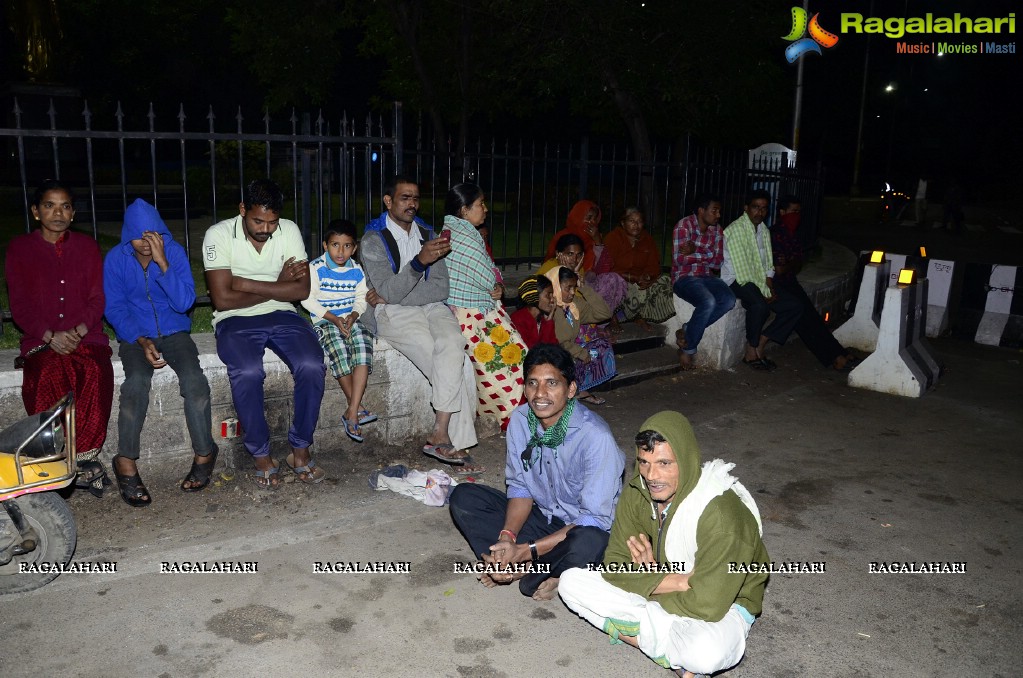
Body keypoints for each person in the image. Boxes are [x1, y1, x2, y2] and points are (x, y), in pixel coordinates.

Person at [559, 411, 769, 677]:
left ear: (686, 460)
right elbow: (613, 566)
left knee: (705, 653)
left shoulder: (720, 515)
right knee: (570, 582)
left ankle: (647, 636)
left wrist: (646, 583)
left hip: (726, 605)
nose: (651, 476)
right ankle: (670, 653)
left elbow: (708, 604)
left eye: (664, 463)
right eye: (644, 462)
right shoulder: (638, 494)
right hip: (671, 587)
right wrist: (672, 579)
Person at [448, 344, 625, 601]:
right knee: (464, 497)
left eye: (552, 383)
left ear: (571, 389)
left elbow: (595, 519)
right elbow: (520, 488)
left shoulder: (595, 437)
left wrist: (527, 550)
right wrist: (507, 539)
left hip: (578, 530)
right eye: (532, 383)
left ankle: (538, 570)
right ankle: (510, 562)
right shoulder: (520, 420)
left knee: (590, 543)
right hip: (543, 518)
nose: (540, 393)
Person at [202, 179, 326, 489]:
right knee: (246, 371)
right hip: (234, 319)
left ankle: (300, 449)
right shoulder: (217, 235)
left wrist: (243, 283)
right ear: (243, 209)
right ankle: (260, 453)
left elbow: (300, 290)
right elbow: (222, 300)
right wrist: (277, 286)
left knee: (312, 365)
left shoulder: (289, 230)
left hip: (283, 314)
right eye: (258, 220)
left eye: (272, 222)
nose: (266, 229)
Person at [103, 198, 218, 507]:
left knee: (195, 381)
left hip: (175, 332)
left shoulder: (174, 252)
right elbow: (114, 307)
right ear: (129, 235)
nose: (146, 243)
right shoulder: (116, 259)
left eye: (153, 235)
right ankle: (125, 460)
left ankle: (205, 453)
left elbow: (184, 303)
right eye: (140, 237)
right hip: (134, 337)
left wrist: (163, 262)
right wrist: (139, 340)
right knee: (135, 385)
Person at [360, 176, 480, 471]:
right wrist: (418, 264)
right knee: (448, 361)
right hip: (393, 316)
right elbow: (386, 292)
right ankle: (456, 443)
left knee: (454, 346)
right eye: (404, 198)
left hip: (431, 307)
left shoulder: (429, 233)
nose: (412, 203)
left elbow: (440, 289)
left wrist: (397, 293)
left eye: (415, 198)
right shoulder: (372, 241)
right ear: (388, 201)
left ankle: (440, 434)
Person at [5, 180, 114, 464]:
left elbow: (97, 298)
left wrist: (77, 332)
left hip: (85, 334)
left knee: (93, 371)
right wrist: (50, 335)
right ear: (36, 212)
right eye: (49, 206)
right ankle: (52, 454)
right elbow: (20, 306)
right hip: (41, 339)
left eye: (65, 206)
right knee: (47, 374)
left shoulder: (87, 246)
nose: (58, 213)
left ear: (73, 213)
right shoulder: (20, 249)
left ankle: (85, 458)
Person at [443, 183, 526, 431]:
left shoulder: (455, 231)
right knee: (511, 358)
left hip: (473, 309)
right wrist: (496, 283)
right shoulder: (465, 237)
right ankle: (506, 417)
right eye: (480, 204)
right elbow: (487, 277)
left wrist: (496, 284)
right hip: (472, 314)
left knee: (507, 359)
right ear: (465, 210)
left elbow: (489, 274)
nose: (485, 209)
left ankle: (506, 414)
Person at [301, 219, 377, 443]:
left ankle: (351, 411)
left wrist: (353, 316)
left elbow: (361, 298)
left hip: (350, 319)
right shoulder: (315, 268)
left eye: (347, 246)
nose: (340, 251)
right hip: (326, 321)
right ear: (325, 245)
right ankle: (357, 409)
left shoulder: (356, 269)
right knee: (339, 352)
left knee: (363, 346)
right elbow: (307, 300)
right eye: (335, 245)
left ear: (354, 248)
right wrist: (334, 319)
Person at [771, 195, 859, 372]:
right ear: (782, 212)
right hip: (776, 284)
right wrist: (791, 263)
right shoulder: (775, 234)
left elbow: (795, 265)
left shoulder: (790, 234)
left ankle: (838, 352)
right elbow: (780, 269)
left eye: (798, 212)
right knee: (805, 320)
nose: (796, 215)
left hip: (789, 281)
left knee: (814, 319)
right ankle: (833, 357)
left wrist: (790, 264)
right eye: (792, 211)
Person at [722, 190, 803, 371]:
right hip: (737, 279)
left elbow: (766, 262)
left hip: (757, 279)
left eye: (764, 209)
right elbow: (743, 270)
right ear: (746, 208)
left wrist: (769, 281)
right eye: (755, 207)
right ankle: (750, 351)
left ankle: (761, 342)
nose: (760, 212)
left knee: (794, 306)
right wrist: (764, 290)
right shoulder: (735, 230)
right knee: (760, 306)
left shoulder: (763, 230)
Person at [671, 195, 736, 371]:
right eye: (714, 210)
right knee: (708, 301)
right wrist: (706, 253)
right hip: (683, 277)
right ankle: (688, 348)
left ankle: (688, 328)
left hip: (707, 276)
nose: (718, 215)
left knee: (729, 300)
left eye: (719, 211)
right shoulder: (684, 226)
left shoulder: (717, 230)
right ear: (701, 211)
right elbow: (680, 260)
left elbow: (717, 263)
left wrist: (695, 250)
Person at [544, 201, 627, 323]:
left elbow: (603, 269)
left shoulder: (593, 239)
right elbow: (550, 269)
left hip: (586, 283)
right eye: (588, 218)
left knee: (612, 278)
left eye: (594, 219)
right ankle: (590, 322)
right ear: (578, 217)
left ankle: (602, 321)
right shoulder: (562, 237)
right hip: (566, 285)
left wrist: (598, 241)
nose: (592, 222)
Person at [545, 265, 615, 405]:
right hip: (551, 354)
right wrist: (580, 352)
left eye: (574, 288)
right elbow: (558, 341)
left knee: (601, 346)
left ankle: (578, 389)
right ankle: (569, 391)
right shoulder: (549, 306)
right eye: (568, 288)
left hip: (568, 350)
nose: (572, 292)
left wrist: (584, 289)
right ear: (555, 286)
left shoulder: (572, 305)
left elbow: (604, 313)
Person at [603, 207, 676, 328]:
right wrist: (632, 277)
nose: (636, 225)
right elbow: (606, 268)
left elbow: (654, 266)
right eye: (632, 221)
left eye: (640, 221)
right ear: (623, 223)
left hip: (640, 281)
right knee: (615, 283)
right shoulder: (613, 238)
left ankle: (642, 315)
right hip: (620, 280)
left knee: (665, 282)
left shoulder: (647, 239)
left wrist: (648, 277)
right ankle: (617, 317)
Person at [509, 276, 558, 348]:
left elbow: (554, 346)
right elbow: (533, 352)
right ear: (533, 296)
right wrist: (548, 324)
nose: (552, 300)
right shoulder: (517, 319)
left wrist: (548, 320)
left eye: (552, 295)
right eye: (548, 295)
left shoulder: (543, 318)